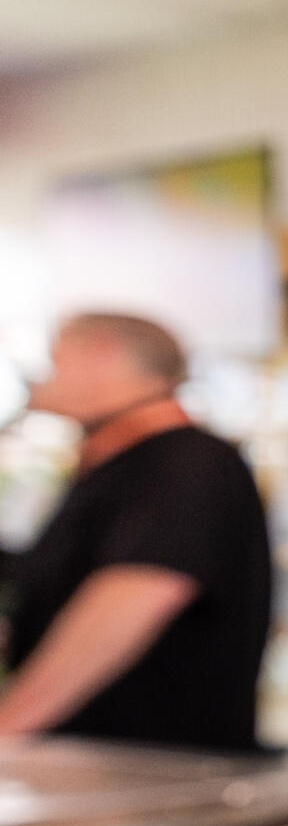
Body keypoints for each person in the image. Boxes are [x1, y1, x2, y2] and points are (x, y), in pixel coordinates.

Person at [0, 313, 273, 751]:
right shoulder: (111, 470)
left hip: (151, 777)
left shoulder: (187, 463)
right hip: (94, 771)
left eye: (54, 359)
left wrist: (8, 727)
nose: (38, 378)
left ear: (102, 354)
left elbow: (131, 601)